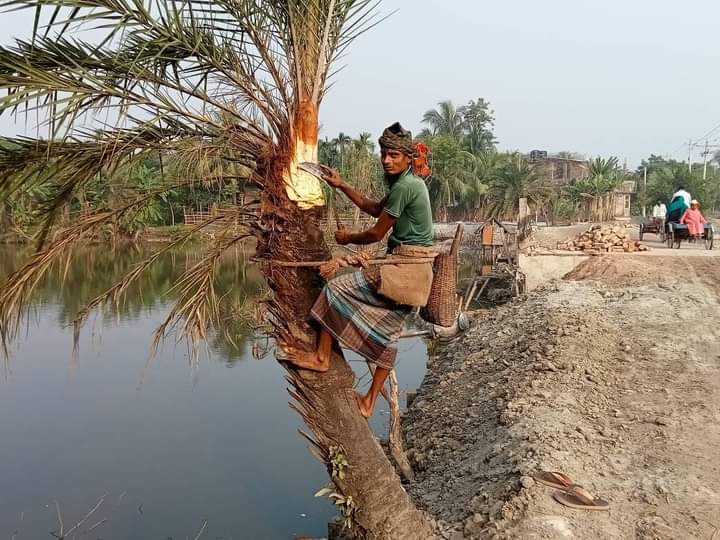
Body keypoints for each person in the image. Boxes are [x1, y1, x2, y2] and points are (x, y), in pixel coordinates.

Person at [282, 122, 435, 419]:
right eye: (384, 155)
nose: (387, 160)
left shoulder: (405, 186)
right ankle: (367, 403)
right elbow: (374, 208)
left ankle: (322, 357)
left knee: (336, 290)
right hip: (416, 274)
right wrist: (341, 185)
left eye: (393, 155)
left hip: (404, 268)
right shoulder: (406, 184)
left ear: (407, 157)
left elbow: (376, 233)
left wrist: (346, 238)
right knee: (389, 335)